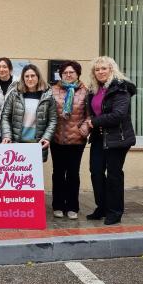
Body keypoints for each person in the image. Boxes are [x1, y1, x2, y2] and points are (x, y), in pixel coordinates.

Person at [84, 56, 136, 226]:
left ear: (111, 69)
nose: (100, 72)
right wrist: (88, 123)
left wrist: (94, 122)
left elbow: (118, 114)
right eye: (97, 69)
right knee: (96, 172)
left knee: (114, 175)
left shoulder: (121, 88)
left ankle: (115, 212)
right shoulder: (94, 89)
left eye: (104, 68)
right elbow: (93, 112)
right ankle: (102, 207)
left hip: (117, 138)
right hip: (99, 137)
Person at [50, 60, 90, 220]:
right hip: (57, 139)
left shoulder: (86, 92)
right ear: (60, 75)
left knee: (73, 174)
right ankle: (58, 205)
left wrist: (83, 130)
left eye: (71, 72)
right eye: (65, 72)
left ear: (77, 74)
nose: (68, 75)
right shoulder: (52, 90)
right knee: (58, 173)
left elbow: (90, 115)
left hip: (76, 140)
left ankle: (72, 206)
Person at [1, 64, 57, 162]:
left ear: (38, 77)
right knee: (17, 171)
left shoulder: (47, 96)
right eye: (26, 76)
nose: (30, 79)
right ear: (23, 78)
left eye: (33, 76)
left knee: (34, 171)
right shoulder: (15, 94)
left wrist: (47, 137)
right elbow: (5, 116)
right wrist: (6, 135)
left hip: (37, 144)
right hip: (16, 142)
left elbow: (53, 120)